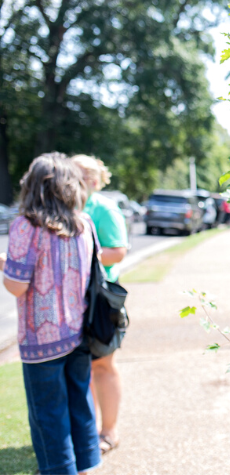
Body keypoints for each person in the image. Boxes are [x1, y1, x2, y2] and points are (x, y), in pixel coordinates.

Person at [0, 152, 102, 475]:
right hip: (79, 331)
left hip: (41, 340)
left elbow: (17, 286)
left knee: (49, 416)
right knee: (80, 408)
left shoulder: (26, 226)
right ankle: (87, 468)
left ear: (33, 186)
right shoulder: (84, 224)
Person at [72, 155, 128, 454]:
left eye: (81, 175)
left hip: (100, 299)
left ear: (94, 180)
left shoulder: (103, 207)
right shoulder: (66, 205)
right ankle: (88, 430)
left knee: (103, 364)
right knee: (81, 367)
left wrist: (79, 254)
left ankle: (109, 431)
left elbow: (118, 252)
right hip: (72, 298)